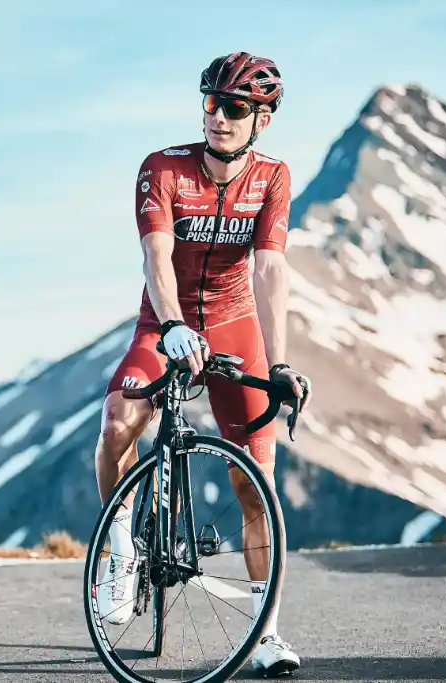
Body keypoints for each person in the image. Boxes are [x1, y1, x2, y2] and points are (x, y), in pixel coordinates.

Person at [95, 52, 312, 676]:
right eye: (212, 103)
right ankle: (120, 555)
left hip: (235, 322)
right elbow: (155, 257)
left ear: (261, 120)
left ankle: (266, 634)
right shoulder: (163, 168)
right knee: (116, 426)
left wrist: (279, 360)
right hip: (163, 321)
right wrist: (171, 326)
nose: (218, 117)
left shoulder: (272, 177)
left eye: (235, 108)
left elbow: (270, 269)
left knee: (257, 488)